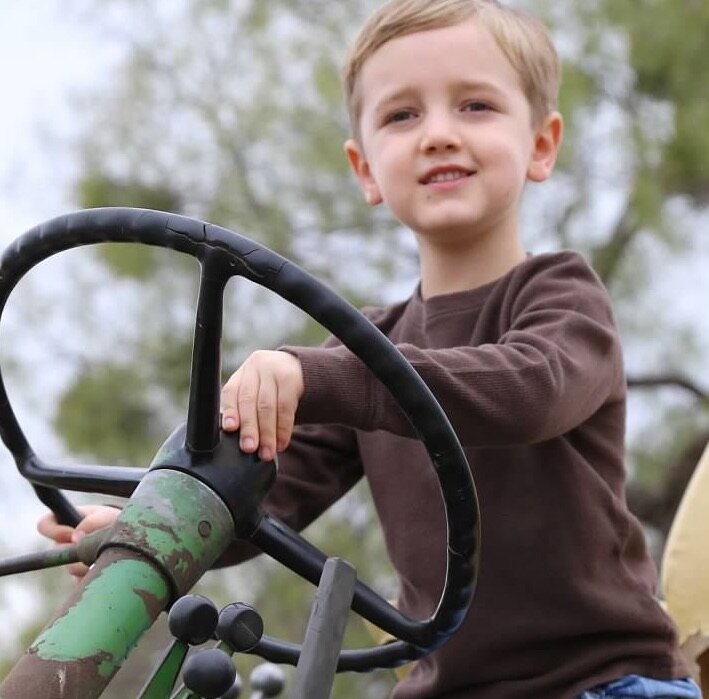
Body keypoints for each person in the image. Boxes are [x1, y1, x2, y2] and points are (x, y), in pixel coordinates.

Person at [38, 1, 700, 697]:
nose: (438, 134)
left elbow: (527, 391)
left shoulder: (562, 296)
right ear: (365, 170)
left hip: (602, 681)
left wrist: (317, 374)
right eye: (401, 116)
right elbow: (260, 503)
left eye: (474, 105)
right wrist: (149, 528)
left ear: (540, 143)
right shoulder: (368, 344)